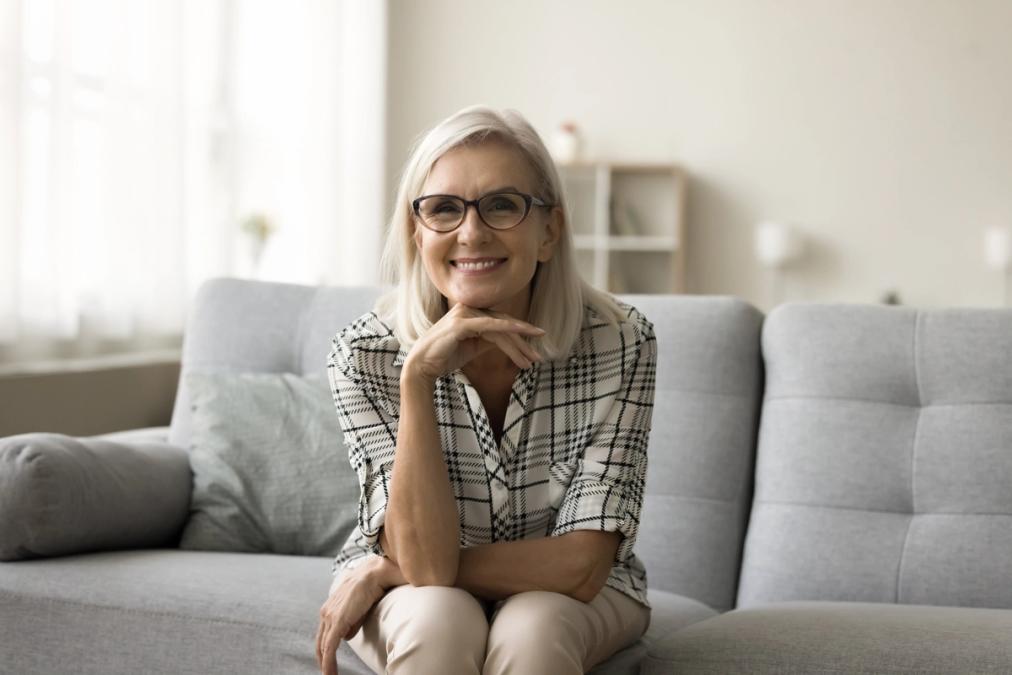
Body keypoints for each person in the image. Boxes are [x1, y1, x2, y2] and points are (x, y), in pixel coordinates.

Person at [315, 104, 656, 675]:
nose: (471, 232)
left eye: (502, 205)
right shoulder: (364, 355)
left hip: (576, 596)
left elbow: (581, 567)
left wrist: (387, 569)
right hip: (419, 598)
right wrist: (418, 379)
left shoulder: (620, 343)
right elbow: (425, 573)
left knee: (535, 627)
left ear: (550, 230)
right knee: (436, 619)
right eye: (444, 209)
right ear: (415, 233)